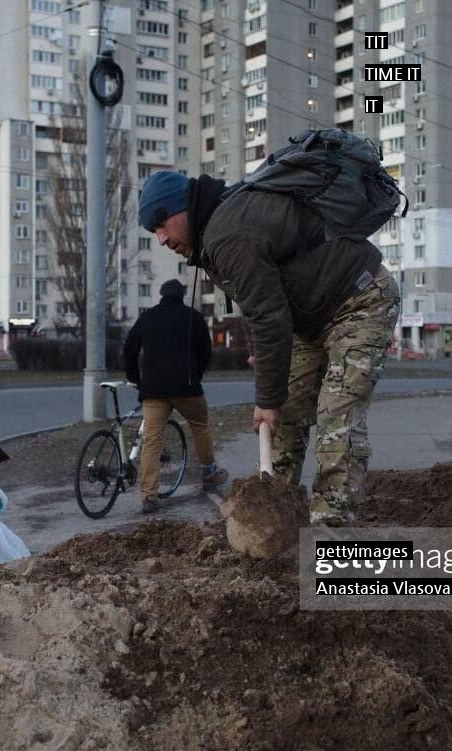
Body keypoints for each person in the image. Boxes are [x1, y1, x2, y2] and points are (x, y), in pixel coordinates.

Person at [139, 169, 401, 526]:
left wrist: (266, 399)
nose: (161, 238)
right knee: (286, 414)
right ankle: (269, 520)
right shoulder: (220, 226)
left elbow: (268, 317)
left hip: (361, 298)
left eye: (161, 223)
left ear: (183, 207)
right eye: (153, 231)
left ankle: (332, 531)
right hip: (312, 320)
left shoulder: (226, 233)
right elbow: (264, 303)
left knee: (336, 415)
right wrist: (270, 372)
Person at [123, 278, 228, 514]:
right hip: (186, 387)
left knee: (151, 440)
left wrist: (136, 378)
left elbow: (129, 347)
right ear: (182, 295)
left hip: (153, 390)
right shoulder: (193, 317)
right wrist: (196, 376)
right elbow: (205, 352)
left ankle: (149, 496)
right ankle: (209, 474)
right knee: (200, 424)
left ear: (160, 294)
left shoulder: (148, 317)